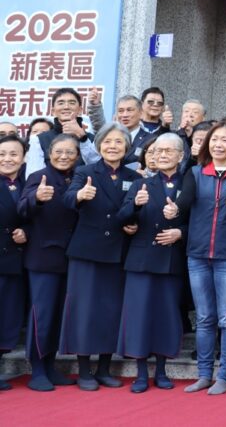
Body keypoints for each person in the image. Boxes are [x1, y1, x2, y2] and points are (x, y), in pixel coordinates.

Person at [173, 120, 226, 395]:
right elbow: (184, 203)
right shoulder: (196, 173)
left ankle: (224, 375)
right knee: (205, 317)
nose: (218, 144)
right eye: (214, 139)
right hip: (197, 255)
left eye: (224, 140)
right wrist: (173, 210)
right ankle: (204, 374)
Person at [61, 123, 141, 391]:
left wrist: (134, 223)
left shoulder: (134, 176)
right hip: (87, 251)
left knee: (111, 310)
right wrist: (80, 195)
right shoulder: (85, 171)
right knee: (84, 310)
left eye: (118, 142)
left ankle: (104, 369)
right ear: (98, 145)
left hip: (117, 251)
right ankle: (84, 370)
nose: (112, 146)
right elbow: (67, 199)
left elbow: (134, 211)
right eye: (107, 141)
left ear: (127, 147)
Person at [117, 132, 188, 393]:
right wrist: (135, 206)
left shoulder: (190, 183)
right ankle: (139, 373)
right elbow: (121, 218)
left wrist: (181, 232)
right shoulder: (140, 184)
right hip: (142, 259)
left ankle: (161, 370)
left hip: (171, 260)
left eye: (169, 151)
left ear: (181, 156)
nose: (162, 155)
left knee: (165, 315)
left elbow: (201, 220)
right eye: (158, 151)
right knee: (139, 315)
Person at [18, 134, 80, 391]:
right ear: (49, 153)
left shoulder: (78, 178)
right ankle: (37, 368)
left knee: (58, 317)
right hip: (43, 258)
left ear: (77, 156)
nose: (64, 156)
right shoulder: (38, 177)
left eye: (70, 152)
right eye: (59, 151)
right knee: (41, 315)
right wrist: (37, 198)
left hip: (69, 258)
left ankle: (50, 365)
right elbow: (23, 208)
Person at [0, 134, 28, 390]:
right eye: (2, 154)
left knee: (8, 316)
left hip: (18, 262)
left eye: (13, 154)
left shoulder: (29, 183)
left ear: (23, 157)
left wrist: (26, 232)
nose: (7, 159)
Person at [26, 88, 99, 173]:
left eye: (72, 103)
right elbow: (33, 174)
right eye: (61, 103)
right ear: (53, 111)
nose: (66, 107)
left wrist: (83, 138)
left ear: (80, 110)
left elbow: (97, 167)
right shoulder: (39, 140)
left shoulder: (92, 138)